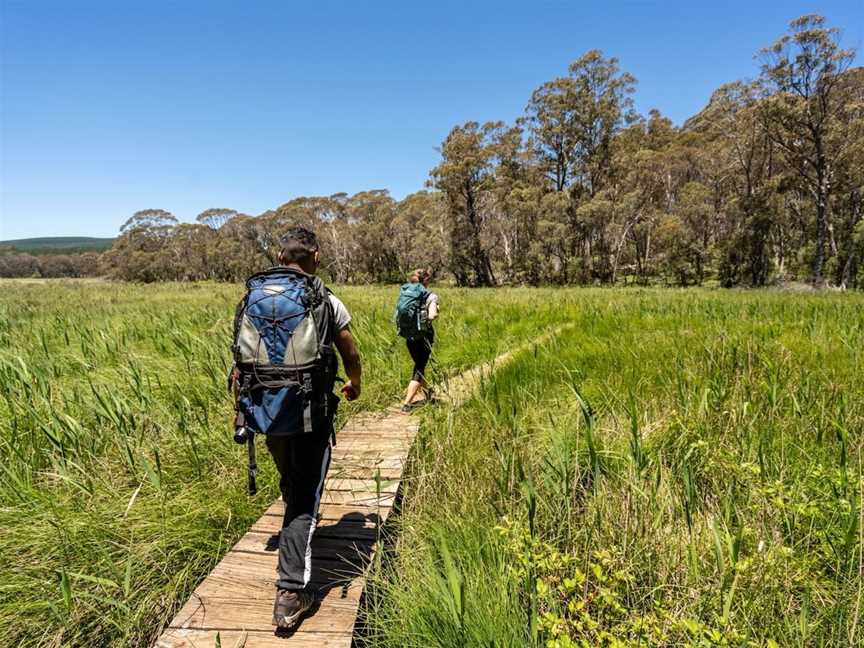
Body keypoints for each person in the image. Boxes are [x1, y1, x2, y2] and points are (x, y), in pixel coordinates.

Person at [230, 227, 362, 629]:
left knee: (291, 476)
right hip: (310, 411)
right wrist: (354, 381)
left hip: (265, 411)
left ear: (279, 255)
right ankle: (291, 593)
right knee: (304, 498)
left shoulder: (251, 297)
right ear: (316, 257)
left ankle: (293, 517)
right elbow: (349, 349)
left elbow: (240, 358)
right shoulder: (324, 298)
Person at [399, 268, 439, 412]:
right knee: (419, 368)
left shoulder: (405, 292)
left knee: (419, 364)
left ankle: (428, 393)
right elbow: (432, 315)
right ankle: (407, 403)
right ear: (426, 280)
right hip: (424, 337)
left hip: (409, 336)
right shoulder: (431, 296)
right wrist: (433, 313)